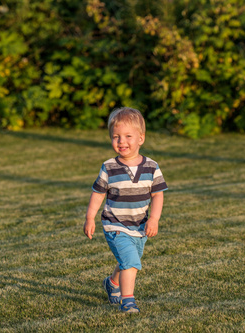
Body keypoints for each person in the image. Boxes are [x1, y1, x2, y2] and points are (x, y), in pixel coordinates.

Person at [83, 107, 168, 313]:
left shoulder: (151, 167)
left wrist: (154, 219)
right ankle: (127, 300)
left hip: (139, 226)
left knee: (128, 260)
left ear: (141, 138)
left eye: (128, 136)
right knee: (130, 262)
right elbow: (98, 193)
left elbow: (157, 195)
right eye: (116, 137)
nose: (122, 142)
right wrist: (90, 218)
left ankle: (112, 283)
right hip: (115, 224)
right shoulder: (109, 167)